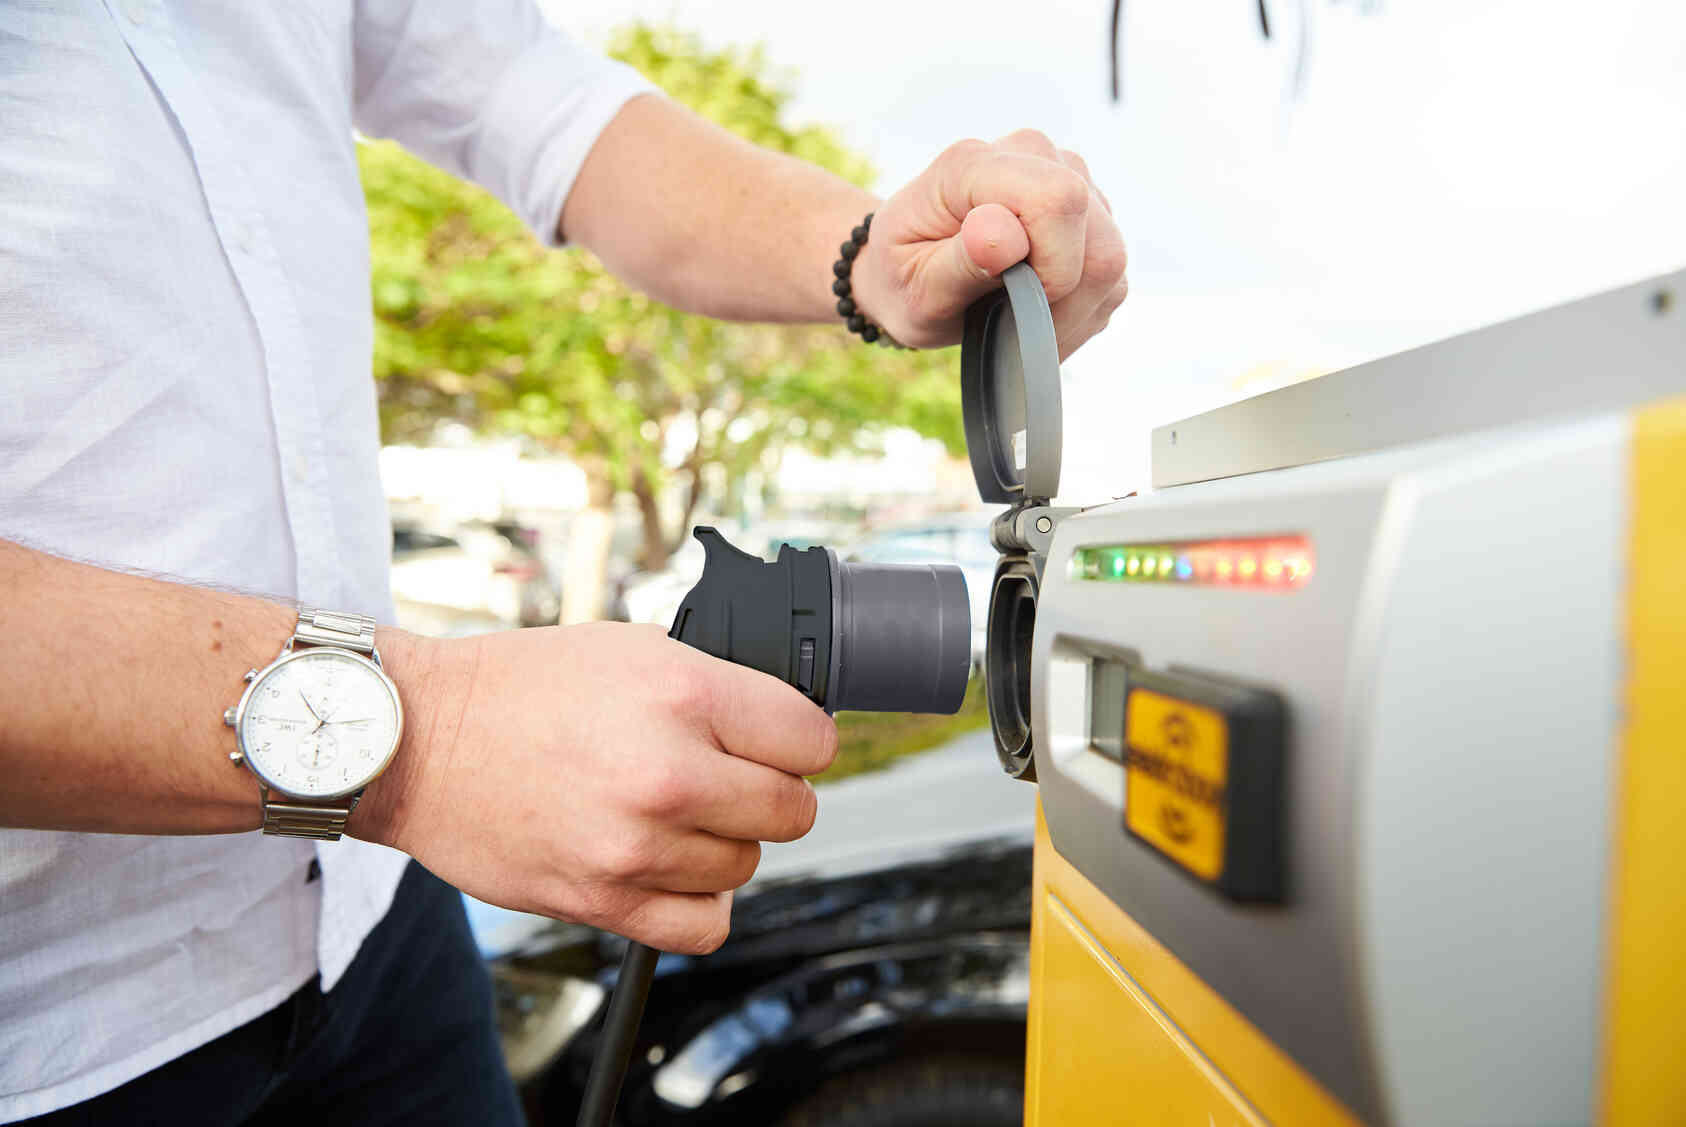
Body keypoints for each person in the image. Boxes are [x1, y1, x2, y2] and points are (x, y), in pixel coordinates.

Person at [0, 1, 1126, 1122]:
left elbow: (541, 105)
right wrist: (425, 738)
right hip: (61, 1047)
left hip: (371, 929)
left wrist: (872, 258)